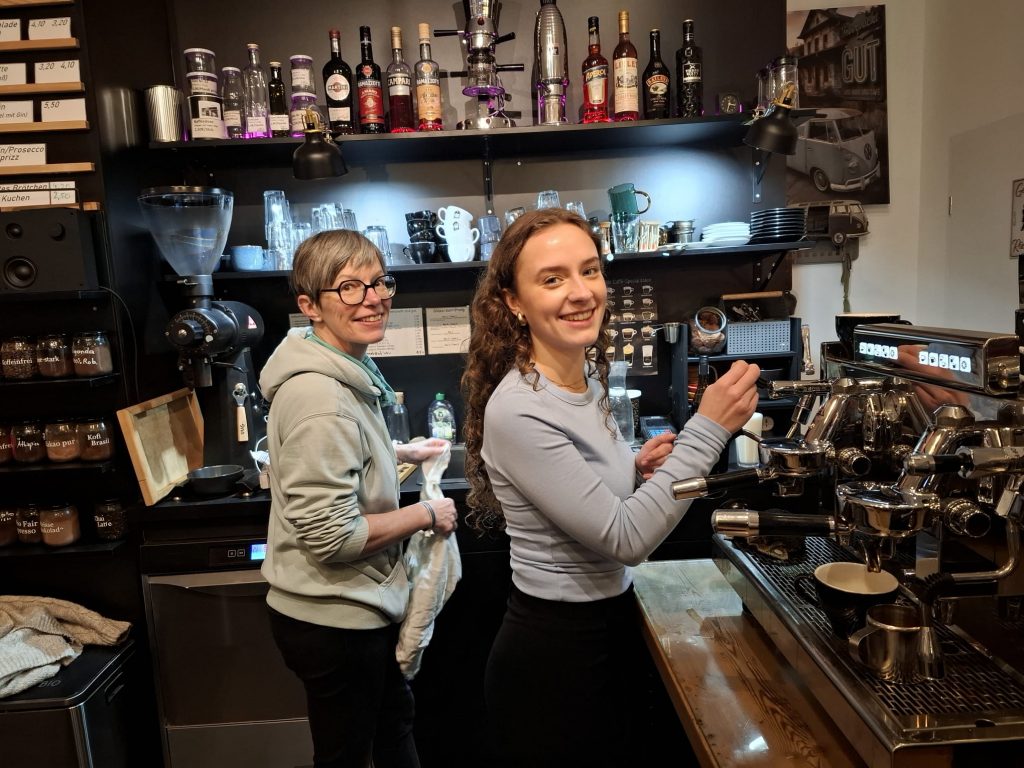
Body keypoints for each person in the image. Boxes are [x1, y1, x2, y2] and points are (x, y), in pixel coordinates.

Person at [461, 208, 760, 767]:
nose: (581, 292)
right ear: (513, 302)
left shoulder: (584, 376)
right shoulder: (519, 410)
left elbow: (594, 494)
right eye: (552, 279)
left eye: (590, 271)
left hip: (609, 624)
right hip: (554, 656)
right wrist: (709, 428)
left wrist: (633, 469)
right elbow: (625, 539)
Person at [260, 229, 458, 768]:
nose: (373, 298)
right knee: (351, 753)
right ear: (309, 306)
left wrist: (401, 452)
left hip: (343, 611)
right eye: (349, 287)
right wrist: (426, 513)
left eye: (378, 283)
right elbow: (332, 536)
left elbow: (349, 462)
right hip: (333, 621)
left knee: (391, 729)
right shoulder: (321, 397)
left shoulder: (340, 369)